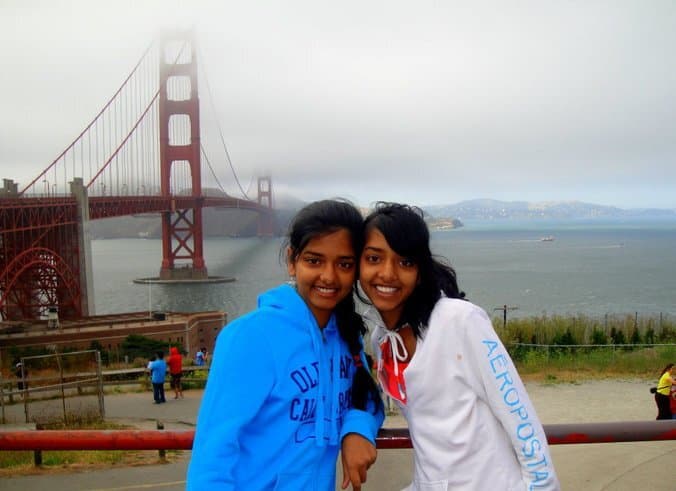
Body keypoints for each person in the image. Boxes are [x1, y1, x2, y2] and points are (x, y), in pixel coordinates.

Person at [359, 202, 559, 491]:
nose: (387, 273)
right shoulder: (382, 339)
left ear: (420, 270)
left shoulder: (459, 321)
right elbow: (434, 443)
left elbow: (520, 419)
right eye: (374, 258)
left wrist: (542, 487)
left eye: (405, 262)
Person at [187, 199, 384, 491]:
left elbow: (365, 394)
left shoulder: (347, 335)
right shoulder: (250, 337)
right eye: (313, 261)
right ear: (292, 261)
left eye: (344, 264)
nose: (328, 276)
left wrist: (357, 429)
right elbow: (213, 454)